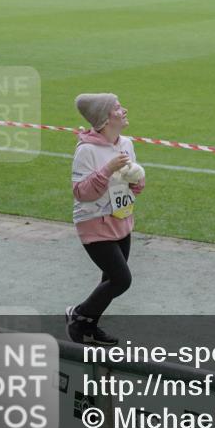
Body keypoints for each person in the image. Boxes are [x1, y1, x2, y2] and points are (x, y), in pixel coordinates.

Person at [66, 93, 145, 346]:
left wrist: (136, 180)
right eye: (118, 108)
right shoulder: (86, 150)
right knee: (121, 280)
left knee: (108, 280)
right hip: (94, 223)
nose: (124, 110)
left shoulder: (126, 144)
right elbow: (82, 192)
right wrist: (108, 169)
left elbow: (132, 185)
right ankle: (78, 316)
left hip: (121, 221)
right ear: (104, 118)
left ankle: (90, 325)